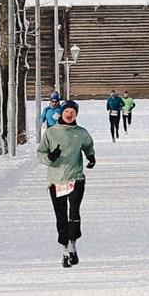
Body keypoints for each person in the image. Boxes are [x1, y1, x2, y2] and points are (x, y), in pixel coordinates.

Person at [37, 99, 97, 267]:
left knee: (74, 212)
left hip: (76, 178)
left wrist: (90, 157)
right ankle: (65, 249)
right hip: (56, 180)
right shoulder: (51, 133)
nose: (70, 115)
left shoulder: (81, 132)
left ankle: (73, 244)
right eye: (67, 112)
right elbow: (40, 153)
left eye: (73, 112)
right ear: (61, 114)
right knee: (61, 214)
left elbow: (88, 146)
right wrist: (50, 157)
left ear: (76, 114)